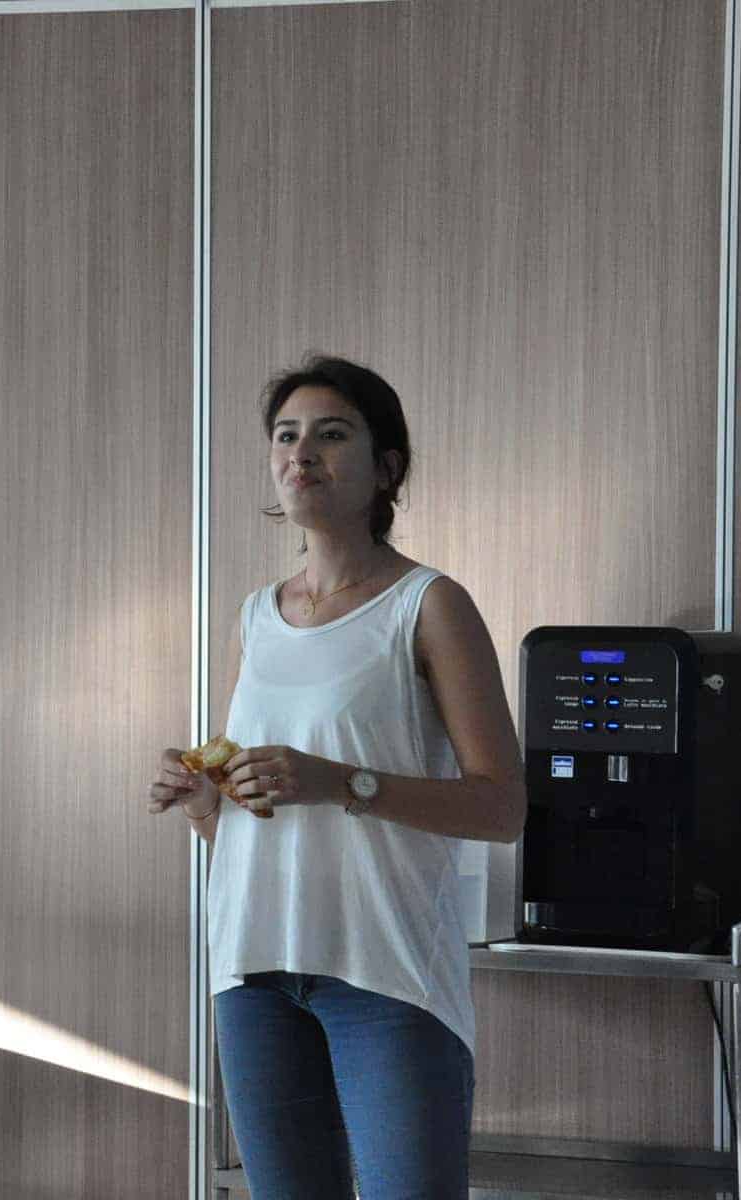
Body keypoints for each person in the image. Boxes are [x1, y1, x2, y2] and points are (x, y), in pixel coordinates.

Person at [147, 355, 526, 1199]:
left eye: (330, 434)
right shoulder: (256, 615)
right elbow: (247, 821)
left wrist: (339, 782)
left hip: (383, 972)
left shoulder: (427, 604)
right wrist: (206, 803)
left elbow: (501, 808)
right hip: (251, 967)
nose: (301, 453)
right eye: (285, 436)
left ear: (385, 467)